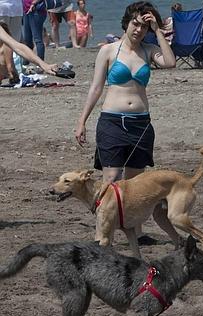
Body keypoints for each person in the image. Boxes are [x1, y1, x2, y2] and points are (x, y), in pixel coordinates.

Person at [74, 1, 176, 245]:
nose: (138, 30)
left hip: (140, 125)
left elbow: (170, 62)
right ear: (127, 22)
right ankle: (101, 233)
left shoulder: (149, 50)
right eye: (135, 23)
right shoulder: (109, 50)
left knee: (134, 184)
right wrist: (82, 121)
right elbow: (96, 88)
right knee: (110, 180)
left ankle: (136, 232)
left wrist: (158, 31)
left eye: (144, 26)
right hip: (112, 121)